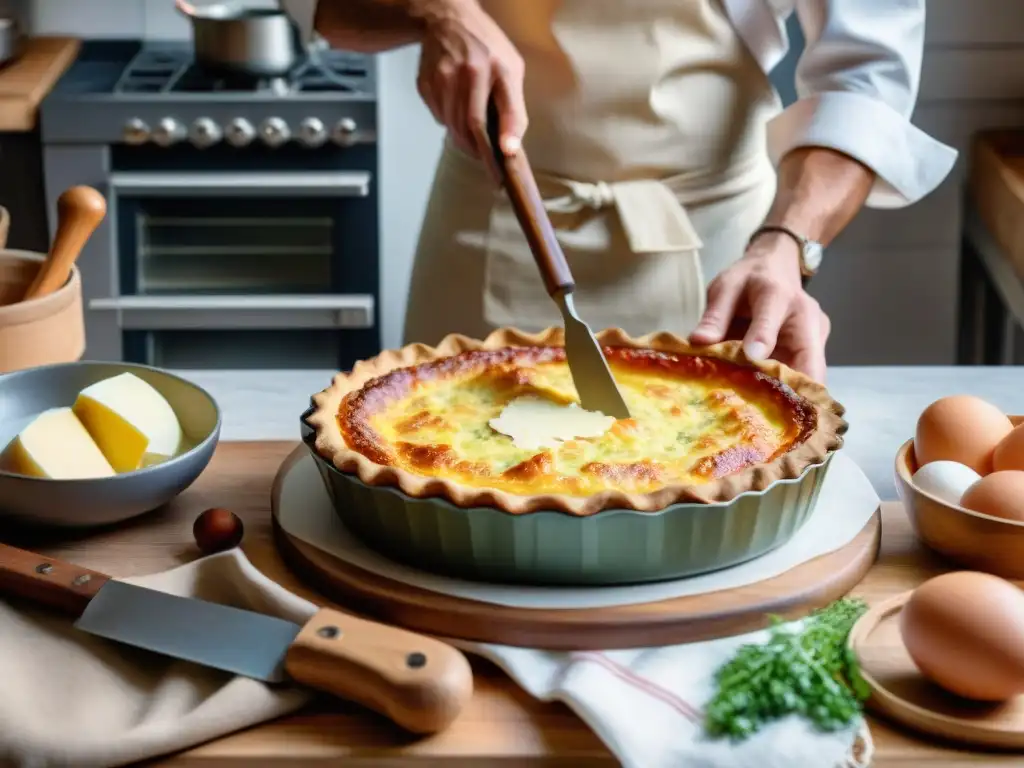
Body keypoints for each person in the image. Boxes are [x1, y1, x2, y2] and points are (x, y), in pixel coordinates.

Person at [283, 0, 956, 382]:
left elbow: (864, 78)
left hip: (724, 256)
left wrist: (785, 245)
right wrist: (437, 11)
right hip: (496, 220)